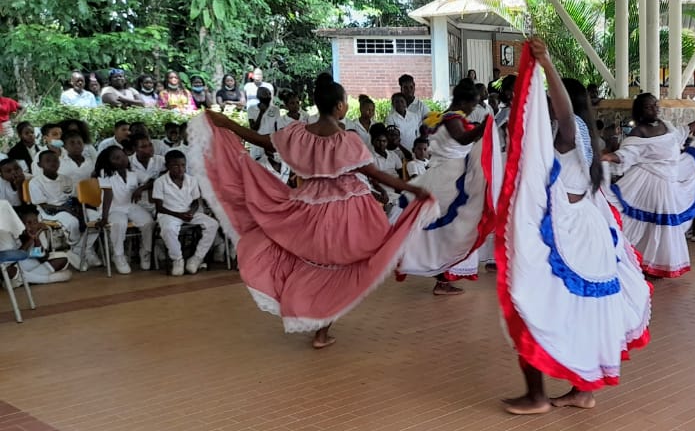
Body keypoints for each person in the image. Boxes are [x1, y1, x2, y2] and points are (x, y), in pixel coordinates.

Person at [191, 73, 434, 348]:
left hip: (309, 207)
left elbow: (261, 141)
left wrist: (228, 124)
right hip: (346, 212)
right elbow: (374, 173)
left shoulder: (298, 134)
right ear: (340, 106)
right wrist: (412, 189)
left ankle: (317, 324)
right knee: (351, 264)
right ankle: (319, 327)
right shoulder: (346, 141)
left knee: (315, 265)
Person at [494, 39, 650, 415]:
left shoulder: (573, 129)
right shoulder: (575, 137)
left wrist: (546, 64)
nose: (547, 102)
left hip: (570, 236)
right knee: (570, 310)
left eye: (552, 97)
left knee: (531, 300)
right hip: (580, 232)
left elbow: (564, 114)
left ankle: (538, 396)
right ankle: (581, 391)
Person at [393, 80, 493, 295]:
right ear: (463, 101)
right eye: (472, 104)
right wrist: (484, 127)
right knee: (455, 228)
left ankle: (443, 277)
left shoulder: (446, 116)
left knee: (450, 230)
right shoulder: (451, 117)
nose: (473, 108)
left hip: (452, 173)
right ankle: (442, 278)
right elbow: (462, 137)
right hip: (450, 176)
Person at [602, 93, 695, 278]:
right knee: (650, 224)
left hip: (667, 181)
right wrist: (609, 157)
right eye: (649, 106)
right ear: (641, 111)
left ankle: (656, 262)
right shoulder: (639, 132)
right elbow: (628, 153)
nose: (655, 109)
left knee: (659, 225)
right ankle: (637, 259)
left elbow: (680, 134)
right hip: (648, 181)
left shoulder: (665, 124)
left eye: (656, 105)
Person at [27, 150, 99, 270]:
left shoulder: (66, 179)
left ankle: (79, 250)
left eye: (55, 160)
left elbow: (74, 198)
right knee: (72, 222)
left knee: (96, 218)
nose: (53, 163)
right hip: (50, 213)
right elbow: (44, 206)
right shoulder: (35, 182)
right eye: (48, 161)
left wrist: (78, 211)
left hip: (69, 208)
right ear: (40, 165)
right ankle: (79, 251)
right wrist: (64, 209)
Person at [152, 150, 220, 276]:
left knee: (212, 224)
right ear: (167, 166)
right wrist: (178, 215)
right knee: (168, 229)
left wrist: (191, 212)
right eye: (176, 165)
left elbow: (195, 201)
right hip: (169, 214)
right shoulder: (160, 182)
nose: (180, 168)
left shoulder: (191, 180)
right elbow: (159, 207)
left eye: (183, 165)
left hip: (187, 212)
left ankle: (196, 258)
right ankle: (177, 260)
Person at [94, 146, 155, 274]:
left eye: (123, 156)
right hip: (112, 209)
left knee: (148, 221)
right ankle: (118, 255)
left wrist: (140, 189)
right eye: (116, 158)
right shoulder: (104, 173)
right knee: (119, 223)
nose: (122, 160)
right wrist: (104, 218)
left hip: (130, 206)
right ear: (109, 162)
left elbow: (152, 181)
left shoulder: (133, 172)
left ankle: (145, 251)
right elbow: (107, 194)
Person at [4, 205, 73, 284]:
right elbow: (15, 257)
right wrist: (30, 239)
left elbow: (42, 257)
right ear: (20, 223)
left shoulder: (37, 233)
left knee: (63, 259)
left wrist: (36, 239)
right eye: (28, 223)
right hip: (18, 266)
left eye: (35, 222)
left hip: (33, 266)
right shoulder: (14, 235)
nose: (33, 226)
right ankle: (46, 279)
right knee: (9, 271)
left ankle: (24, 280)